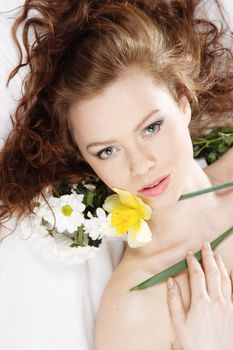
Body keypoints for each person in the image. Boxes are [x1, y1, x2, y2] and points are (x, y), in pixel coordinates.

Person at [0, 0, 233, 350]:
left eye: (151, 127)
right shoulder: (133, 310)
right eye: (107, 151)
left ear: (183, 103)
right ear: (85, 159)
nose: (140, 166)